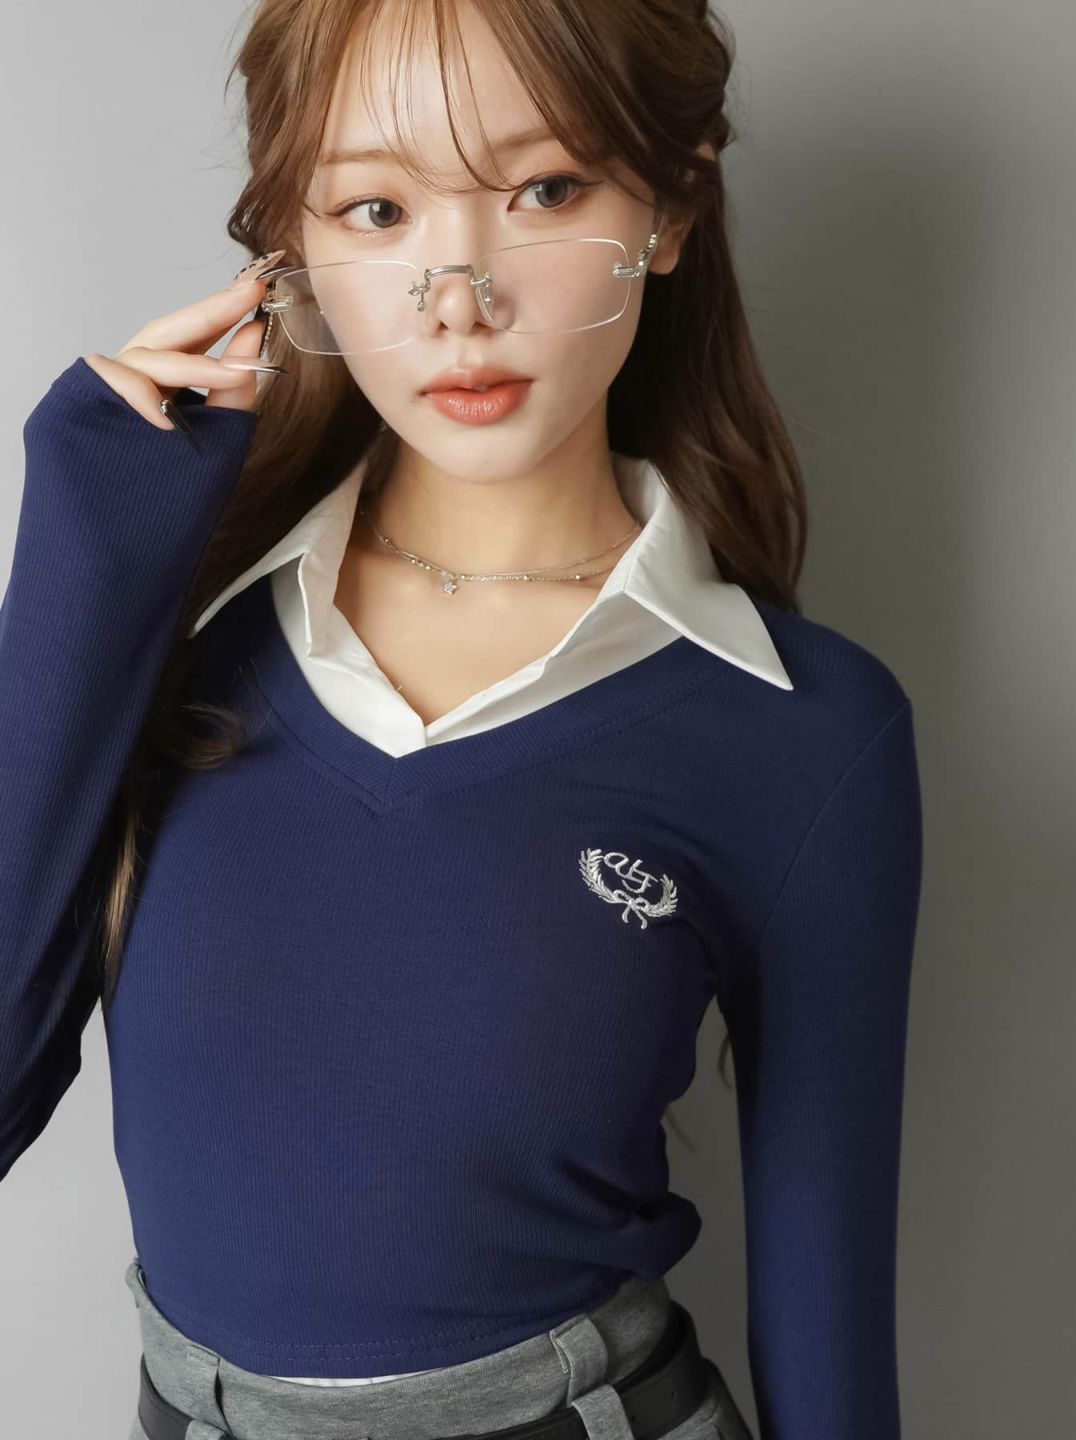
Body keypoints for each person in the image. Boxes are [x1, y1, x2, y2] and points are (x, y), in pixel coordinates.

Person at [0, 1, 924, 1438]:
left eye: (544, 190)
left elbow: (828, 1324)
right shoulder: (181, 633)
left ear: (670, 210)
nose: (458, 297)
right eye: (377, 209)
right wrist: (85, 561)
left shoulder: (802, 731)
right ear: (292, 253)